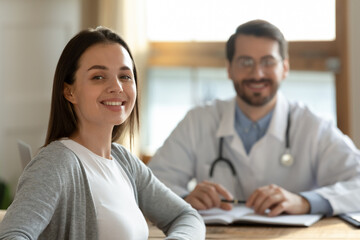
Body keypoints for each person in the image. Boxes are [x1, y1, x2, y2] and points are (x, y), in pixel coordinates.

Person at [0, 27, 205, 240]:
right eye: (98, 77)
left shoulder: (124, 161)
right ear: (69, 92)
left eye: (125, 76)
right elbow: (12, 235)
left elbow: (187, 216)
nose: (117, 87)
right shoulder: (56, 163)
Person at [149, 19, 360, 217]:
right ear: (229, 69)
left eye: (268, 62)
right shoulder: (198, 121)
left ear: (284, 68)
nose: (257, 73)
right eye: (245, 62)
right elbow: (150, 185)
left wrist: (304, 202)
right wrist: (185, 199)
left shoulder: (313, 126)